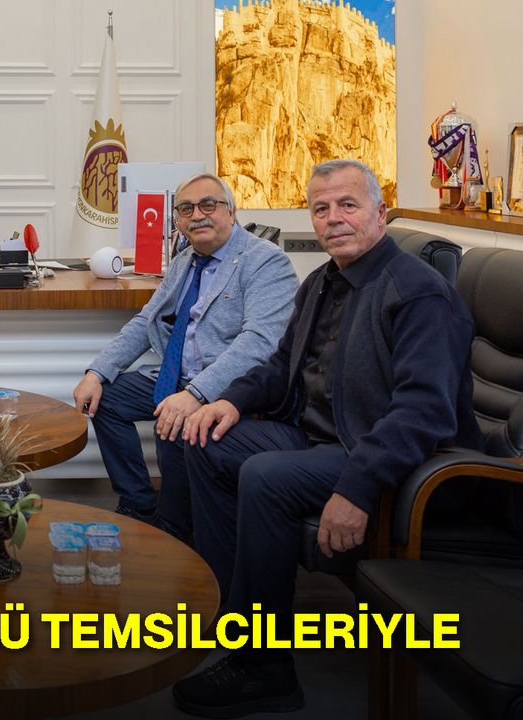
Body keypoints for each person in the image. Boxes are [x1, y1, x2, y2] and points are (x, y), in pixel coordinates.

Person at [171, 160, 482, 717]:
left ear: (380, 213)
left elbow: (423, 411)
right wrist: (227, 401)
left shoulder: (419, 294)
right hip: (319, 436)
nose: (333, 218)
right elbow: (279, 366)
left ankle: (264, 670)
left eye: (347, 205)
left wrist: (358, 488)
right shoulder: (321, 281)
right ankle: (232, 617)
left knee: (266, 477)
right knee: (203, 438)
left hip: (388, 457)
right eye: (320, 208)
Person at [72, 173, 297, 536]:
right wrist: (97, 372)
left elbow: (259, 343)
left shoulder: (265, 261)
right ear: (177, 219)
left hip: (224, 389)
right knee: (107, 399)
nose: (197, 215)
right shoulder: (186, 259)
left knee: (176, 427)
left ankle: (178, 532)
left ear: (231, 211)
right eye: (186, 209)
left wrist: (195, 394)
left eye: (208, 205)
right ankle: (140, 505)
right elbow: (146, 320)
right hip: (176, 375)